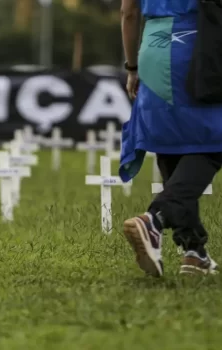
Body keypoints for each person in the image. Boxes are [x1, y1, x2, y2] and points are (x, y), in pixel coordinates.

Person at [119, 0, 222, 277]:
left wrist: (132, 67)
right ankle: (155, 219)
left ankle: (194, 251)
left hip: (152, 46)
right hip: (197, 44)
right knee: (214, 142)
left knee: (172, 143)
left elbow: (128, 12)